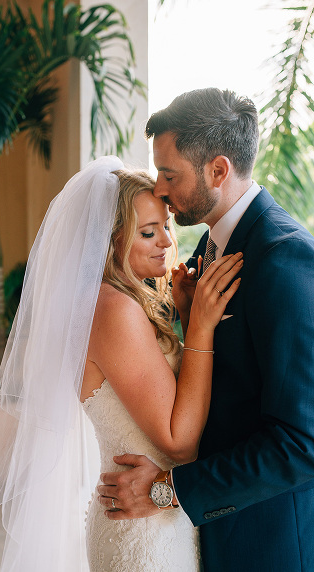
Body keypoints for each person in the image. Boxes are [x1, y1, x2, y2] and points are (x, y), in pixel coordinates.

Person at [0, 156, 242, 570]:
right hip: (145, 534)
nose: (167, 242)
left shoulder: (112, 302)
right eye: (148, 232)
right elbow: (179, 440)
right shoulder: (113, 309)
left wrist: (186, 316)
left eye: (165, 226)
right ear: (109, 239)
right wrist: (201, 329)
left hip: (153, 510)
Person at [99, 88, 314, 571]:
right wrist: (184, 317)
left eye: (169, 174)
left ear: (218, 170)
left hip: (266, 541)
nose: (158, 189)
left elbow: (303, 441)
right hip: (202, 536)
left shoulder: (284, 259)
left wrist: (169, 489)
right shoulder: (205, 256)